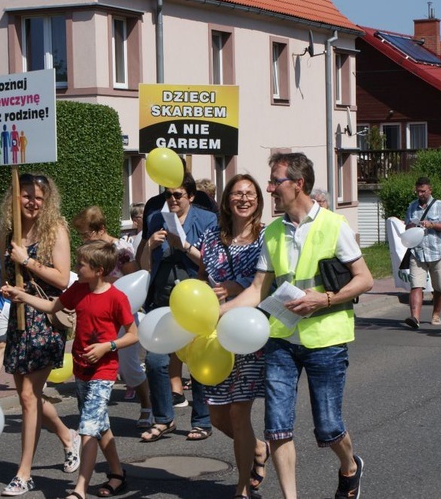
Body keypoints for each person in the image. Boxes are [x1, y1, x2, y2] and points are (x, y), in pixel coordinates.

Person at [221, 152, 373, 499]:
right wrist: (219, 313)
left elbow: (364, 279)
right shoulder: (272, 232)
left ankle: (350, 466)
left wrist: (326, 299)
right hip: (281, 338)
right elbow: (258, 289)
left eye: (276, 181)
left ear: (298, 184)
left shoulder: (334, 226)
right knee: (276, 428)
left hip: (326, 338)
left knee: (329, 428)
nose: (270, 188)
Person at [3, 240, 138, 499]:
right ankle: (118, 474)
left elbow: (133, 335)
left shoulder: (116, 298)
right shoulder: (78, 289)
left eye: (81, 265)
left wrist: (107, 346)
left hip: (103, 372)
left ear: (98, 270)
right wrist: (22, 296)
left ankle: (79, 490)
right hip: (82, 370)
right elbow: (53, 307)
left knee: (87, 428)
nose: (76, 269)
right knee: (100, 425)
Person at [0, 173, 80, 496]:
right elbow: (5, 270)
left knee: (30, 397)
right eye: (26, 196)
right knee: (25, 396)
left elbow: (63, 280)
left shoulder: (54, 229)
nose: (32, 202)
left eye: (39, 198)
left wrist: (27, 260)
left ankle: (24, 472)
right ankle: (67, 436)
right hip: (18, 317)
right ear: (15, 197)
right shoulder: (7, 232)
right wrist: (3, 284)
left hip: (45, 319)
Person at [189, 174, 268, 498]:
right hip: (214, 335)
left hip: (249, 334)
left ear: (258, 200)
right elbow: (202, 276)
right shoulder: (211, 236)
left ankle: (241, 489)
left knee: (239, 413)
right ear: (226, 200)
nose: (244, 198)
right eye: (237, 193)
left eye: (250, 193)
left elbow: (267, 286)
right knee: (218, 414)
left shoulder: (266, 237)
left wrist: (239, 287)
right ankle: (258, 448)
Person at [139, 173, 217, 443]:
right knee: (155, 361)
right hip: (162, 300)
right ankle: (164, 419)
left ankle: (202, 420)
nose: (171, 200)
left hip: (194, 302)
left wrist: (183, 246)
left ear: (191, 196)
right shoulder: (155, 219)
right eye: (167, 194)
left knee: (197, 361)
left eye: (177, 195)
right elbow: (143, 265)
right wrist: (149, 246)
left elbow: (212, 262)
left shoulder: (207, 220)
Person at [72, 206, 153, 429]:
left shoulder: (122, 248)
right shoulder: (88, 252)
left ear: (101, 230)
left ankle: (147, 406)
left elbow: (135, 278)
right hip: (98, 316)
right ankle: (94, 414)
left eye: (86, 233)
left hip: (122, 312)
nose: (83, 238)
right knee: (95, 364)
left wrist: (106, 285)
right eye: (82, 234)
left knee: (128, 368)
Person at [403, 177, 441, 329]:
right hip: (417, 252)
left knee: (439, 287)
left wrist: (432, 224)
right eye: (418, 191)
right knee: (416, 286)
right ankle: (415, 318)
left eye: (423, 191)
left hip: (436, 252)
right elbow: (407, 228)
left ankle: (436, 314)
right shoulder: (412, 206)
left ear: (430, 190)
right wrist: (412, 225)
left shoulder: (440, 205)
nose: (420, 194)